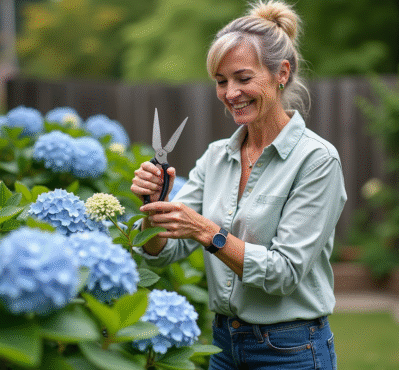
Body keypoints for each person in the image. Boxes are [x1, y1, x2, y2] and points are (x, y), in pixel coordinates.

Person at [130, 1, 346, 369]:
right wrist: (154, 208)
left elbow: (284, 273)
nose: (231, 93)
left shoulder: (317, 161)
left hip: (290, 352)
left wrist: (205, 230)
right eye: (221, 81)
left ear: (282, 73)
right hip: (224, 348)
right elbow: (163, 253)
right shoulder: (216, 157)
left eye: (243, 78)